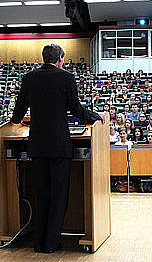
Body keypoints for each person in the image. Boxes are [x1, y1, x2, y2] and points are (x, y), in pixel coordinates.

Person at [7, 44, 103, 253]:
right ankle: (51, 244)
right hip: (59, 145)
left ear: (44, 58)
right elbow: (76, 109)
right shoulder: (65, 77)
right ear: (60, 59)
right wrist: (96, 116)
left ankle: (38, 243)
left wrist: (17, 120)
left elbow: (17, 113)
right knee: (59, 196)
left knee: (41, 194)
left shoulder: (29, 78)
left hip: (37, 145)